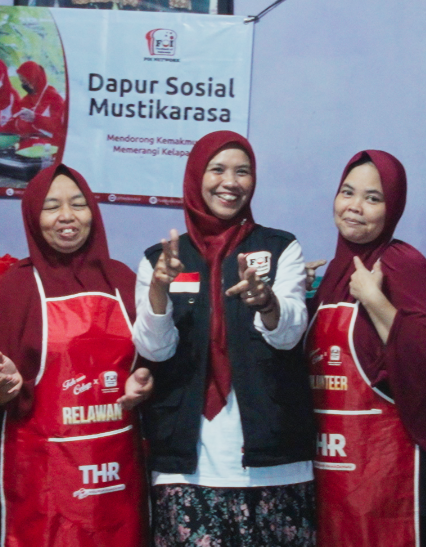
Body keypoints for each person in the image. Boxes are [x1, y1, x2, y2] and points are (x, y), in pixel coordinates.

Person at [134, 131, 315, 546]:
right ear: (196, 176)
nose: (230, 182)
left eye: (242, 171)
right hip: (187, 468)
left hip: (275, 463)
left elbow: (289, 336)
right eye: (217, 169)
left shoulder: (280, 248)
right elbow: (154, 348)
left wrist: (266, 301)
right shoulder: (160, 260)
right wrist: (159, 289)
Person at [0, 164, 152, 547]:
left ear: (93, 213)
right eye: (51, 206)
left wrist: (147, 381)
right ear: (32, 217)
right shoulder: (15, 290)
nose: (67, 216)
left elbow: (151, 360)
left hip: (117, 472)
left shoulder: (122, 280)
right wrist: (4, 385)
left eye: (78, 204)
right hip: (44, 483)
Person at [307, 151, 426, 546]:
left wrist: (375, 300)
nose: (354, 206)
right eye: (347, 192)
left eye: (372, 198)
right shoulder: (332, 273)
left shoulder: (403, 263)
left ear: (393, 208)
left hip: (391, 475)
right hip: (332, 472)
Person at [9, 61, 66, 157]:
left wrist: (36, 118)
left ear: (35, 79)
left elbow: (58, 127)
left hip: (46, 152)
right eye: (22, 82)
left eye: (26, 81)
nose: (24, 85)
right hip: (25, 151)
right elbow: (15, 124)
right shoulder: (25, 100)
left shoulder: (54, 98)